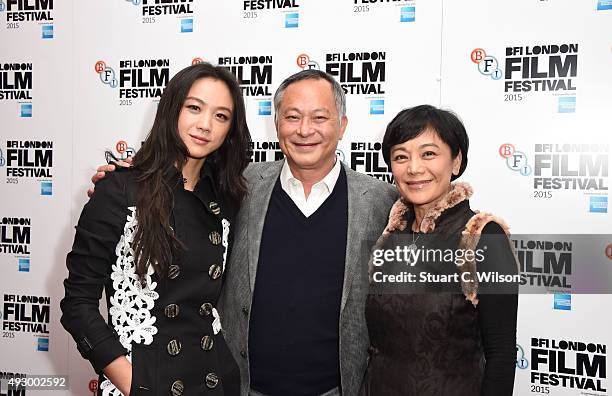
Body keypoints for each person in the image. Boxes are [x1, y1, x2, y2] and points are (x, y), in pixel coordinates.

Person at [91, 69, 398, 395]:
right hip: (238, 386)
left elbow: (421, 307)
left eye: (319, 117)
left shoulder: (383, 202)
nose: (305, 130)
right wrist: (129, 179)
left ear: (343, 125)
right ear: (277, 124)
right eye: (292, 117)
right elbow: (177, 182)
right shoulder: (239, 186)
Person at [61, 62, 251, 396]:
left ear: (230, 130)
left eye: (221, 116)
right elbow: (78, 306)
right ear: (171, 109)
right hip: (146, 379)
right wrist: (136, 384)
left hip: (213, 378)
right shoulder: (119, 190)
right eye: (194, 108)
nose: (205, 125)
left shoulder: (227, 198)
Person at [360, 105, 518, 395]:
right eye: (400, 156)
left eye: (428, 153)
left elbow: (502, 353)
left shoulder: (482, 236)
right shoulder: (391, 234)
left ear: (456, 161)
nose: (414, 168)